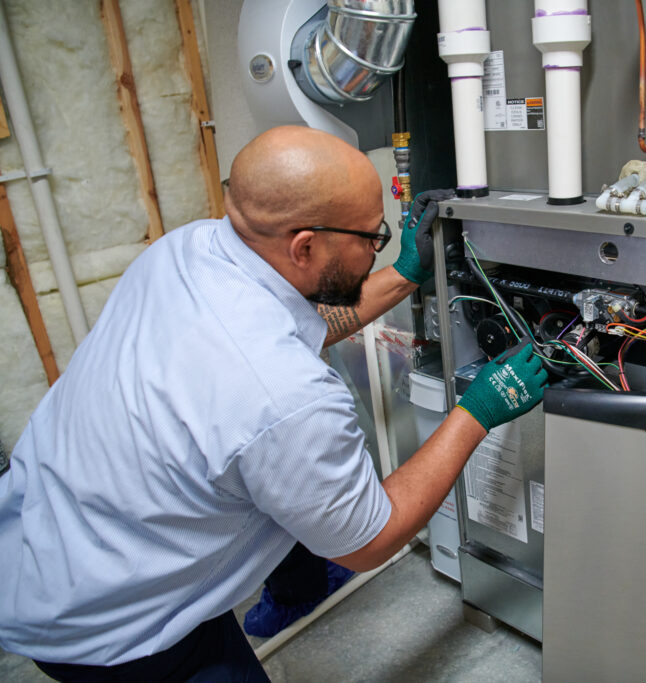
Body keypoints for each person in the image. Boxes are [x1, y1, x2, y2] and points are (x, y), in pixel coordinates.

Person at [0, 126, 547, 681]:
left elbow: (295, 329)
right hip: (111, 630)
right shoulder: (287, 400)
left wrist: (403, 276)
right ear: (304, 245)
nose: (375, 244)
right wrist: (477, 411)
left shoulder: (186, 250)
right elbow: (369, 539)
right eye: (370, 237)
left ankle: (293, 591)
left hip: (42, 541)